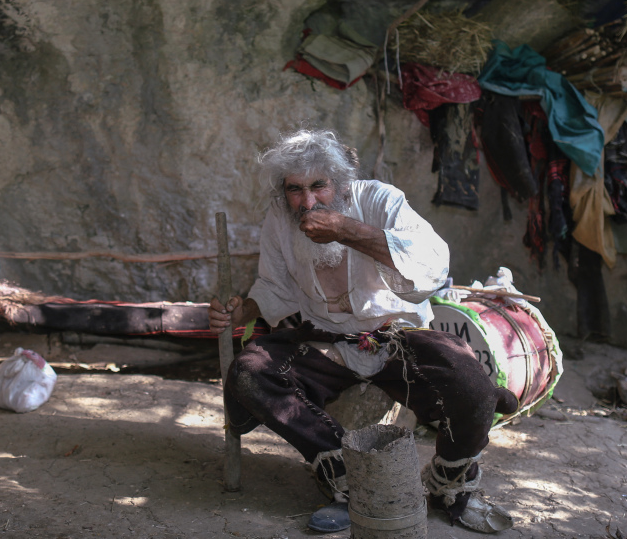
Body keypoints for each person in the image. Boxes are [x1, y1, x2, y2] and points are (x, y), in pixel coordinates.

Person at [209, 129, 518, 534]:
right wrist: (242, 311)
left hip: (396, 338)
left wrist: (346, 229)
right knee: (250, 372)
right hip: (325, 341)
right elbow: (275, 287)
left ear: (341, 184)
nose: (307, 202)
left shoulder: (380, 200)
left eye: (318, 186)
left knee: (472, 384)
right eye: (295, 189)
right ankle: (351, 481)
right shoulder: (281, 219)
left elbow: (432, 265)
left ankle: (450, 483)